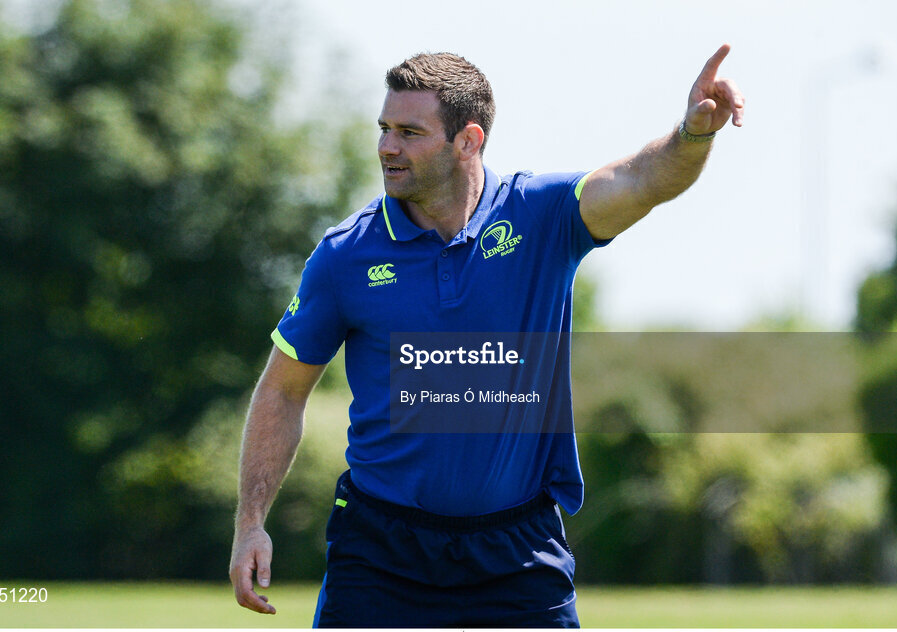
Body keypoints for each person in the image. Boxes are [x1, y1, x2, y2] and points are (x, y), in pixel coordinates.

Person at [230, 46, 744, 627]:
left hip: (517, 552)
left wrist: (693, 134)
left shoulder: (542, 216)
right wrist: (252, 523)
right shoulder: (345, 255)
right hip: (380, 551)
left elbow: (643, 179)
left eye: (409, 132)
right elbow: (282, 391)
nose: (386, 147)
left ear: (468, 140)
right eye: (383, 129)